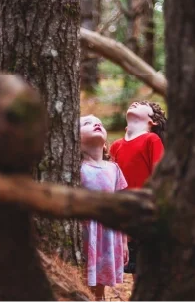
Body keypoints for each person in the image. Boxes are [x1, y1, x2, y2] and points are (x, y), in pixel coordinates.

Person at [110, 100, 167, 279]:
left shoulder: (152, 139)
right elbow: (112, 183)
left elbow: (159, 177)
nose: (135, 103)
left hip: (146, 213)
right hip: (124, 217)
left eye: (142, 104)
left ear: (153, 121)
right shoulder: (116, 146)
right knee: (135, 271)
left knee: (149, 271)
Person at [80, 114, 129, 301]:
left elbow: (120, 206)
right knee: (83, 280)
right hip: (86, 233)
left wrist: (124, 242)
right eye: (87, 123)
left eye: (99, 122)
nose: (96, 124)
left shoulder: (113, 169)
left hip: (108, 236)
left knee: (99, 286)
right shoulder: (77, 167)